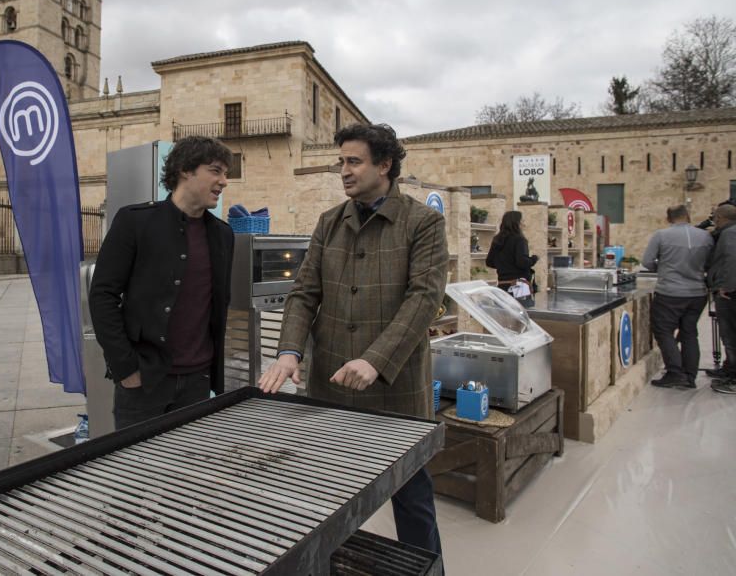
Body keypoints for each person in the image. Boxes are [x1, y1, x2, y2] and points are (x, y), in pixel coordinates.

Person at [258, 122, 448, 560]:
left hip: (395, 389)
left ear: (384, 165)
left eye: (353, 161)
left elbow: (424, 299)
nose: (343, 170)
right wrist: (289, 352)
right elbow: (305, 292)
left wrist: (376, 360)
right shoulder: (329, 223)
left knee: (412, 498)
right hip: (332, 385)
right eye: (340, 161)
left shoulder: (423, 223)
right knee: (330, 495)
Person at [89, 136, 235, 429]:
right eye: (215, 170)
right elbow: (103, 295)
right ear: (185, 170)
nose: (224, 181)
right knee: (137, 469)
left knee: (186, 470)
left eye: (225, 173)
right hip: (144, 381)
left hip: (198, 382)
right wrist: (125, 368)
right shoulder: (135, 222)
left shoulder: (222, 235)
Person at [642, 204, 714, 389]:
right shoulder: (705, 236)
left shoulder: (662, 235)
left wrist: (663, 268)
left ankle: (675, 373)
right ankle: (690, 376)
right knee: (689, 333)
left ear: (669, 218)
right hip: (698, 292)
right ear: (688, 216)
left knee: (664, 331)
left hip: (670, 293)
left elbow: (647, 261)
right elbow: (711, 262)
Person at [706, 204, 736, 393]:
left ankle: (734, 379)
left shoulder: (730, 234)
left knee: (731, 334)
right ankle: (730, 369)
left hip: (730, 293)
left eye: (715, 217)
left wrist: (727, 286)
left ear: (721, 218)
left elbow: (732, 259)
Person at [486, 210, 539, 300]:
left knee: (505, 313)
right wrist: (534, 259)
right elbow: (522, 262)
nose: (524, 224)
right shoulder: (520, 240)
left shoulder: (497, 239)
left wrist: (504, 265)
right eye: (522, 221)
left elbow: (489, 262)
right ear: (516, 223)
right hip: (519, 286)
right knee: (520, 312)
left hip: (502, 285)